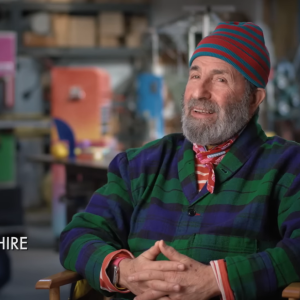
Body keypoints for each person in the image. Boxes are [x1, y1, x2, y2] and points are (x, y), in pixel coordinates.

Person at [59, 22, 300, 300]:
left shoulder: (288, 166)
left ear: (254, 100)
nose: (199, 92)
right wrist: (123, 271)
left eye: (220, 79)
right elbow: (77, 234)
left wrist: (218, 280)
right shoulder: (140, 164)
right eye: (195, 76)